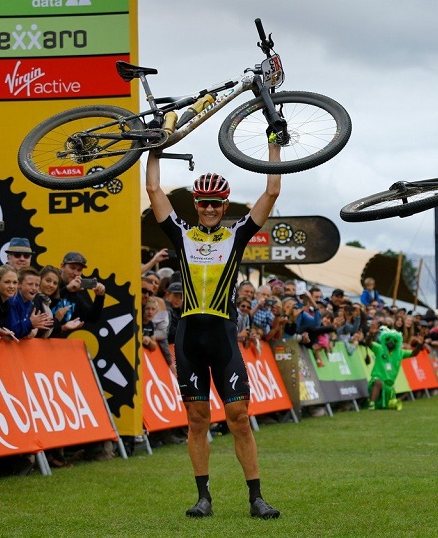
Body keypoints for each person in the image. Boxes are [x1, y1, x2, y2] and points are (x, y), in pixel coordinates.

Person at [146, 145, 282, 520]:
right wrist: (154, 150)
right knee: (197, 420)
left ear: (224, 205)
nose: (209, 208)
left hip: (222, 336)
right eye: (204, 202)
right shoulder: (181, 232)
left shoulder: (236, 234)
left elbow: (271, 191)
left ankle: (256, 498)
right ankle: (203, 497)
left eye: (216, 203)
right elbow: (154, 189)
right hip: (189, 337)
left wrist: (274, 145)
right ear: (195, 204)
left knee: (239, 417)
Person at [58, 252, 106, 325]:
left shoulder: (76, 293)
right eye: (72, 268)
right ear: (62, 266)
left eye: (79, 270)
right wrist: (67, 289)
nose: (75, 273)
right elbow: (46, 299)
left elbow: (92, 318)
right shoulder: (51, 280)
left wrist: (99, 297)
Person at [6, 267, 53, 339]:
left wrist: (31, 328)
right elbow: (12, 332)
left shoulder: (29, 303)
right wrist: (30, 324)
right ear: (18, 284)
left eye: (37, 285)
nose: (34, 288)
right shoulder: (12, 301)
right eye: (30, 284)